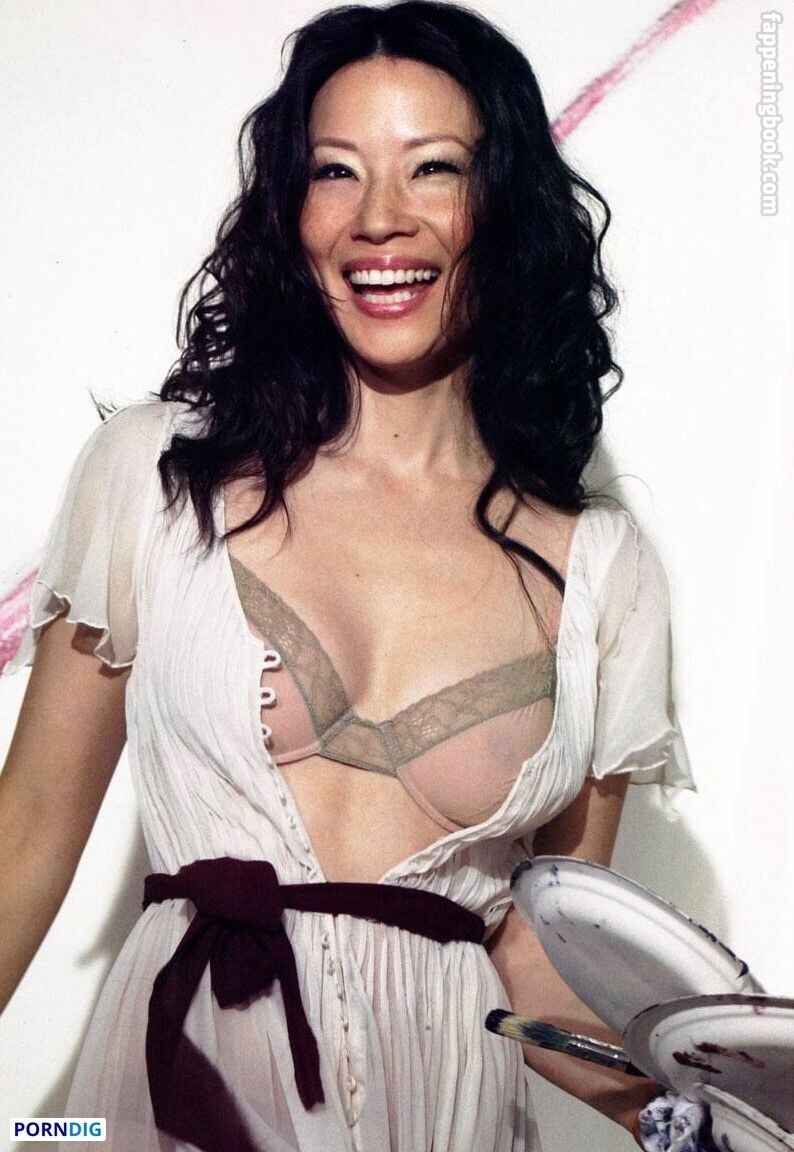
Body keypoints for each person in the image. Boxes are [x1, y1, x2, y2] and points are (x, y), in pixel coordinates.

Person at [0, 2, 695, 1149]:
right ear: (292, 209)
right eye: (335, 170)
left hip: (445, 1110)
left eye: (433, 168)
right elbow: (25, 836)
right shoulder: (159, 480)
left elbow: (538, 955)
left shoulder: (601, 574)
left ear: (503, 205)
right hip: (187, 1087)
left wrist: (695, 1110)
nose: (379, 218)